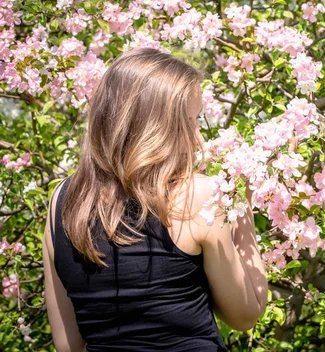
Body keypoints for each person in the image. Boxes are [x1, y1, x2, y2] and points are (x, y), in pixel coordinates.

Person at [42, 48, 268, 352]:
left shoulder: (62, 202)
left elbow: (67, 344)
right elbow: (245, 315)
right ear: (153, 127)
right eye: (187, 122)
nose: (197, 137)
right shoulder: (198, 195)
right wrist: (240, 207)